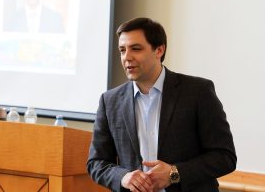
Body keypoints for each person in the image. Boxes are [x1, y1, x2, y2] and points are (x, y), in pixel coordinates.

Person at [87, 17, 236, 192]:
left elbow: (224, 157)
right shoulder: (109, 101)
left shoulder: (198, 92)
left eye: (136, 49)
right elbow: (96, 163)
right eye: (122, 50)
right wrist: (123, 177)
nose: (127, 57)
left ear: (159, 50)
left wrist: (174, 173)